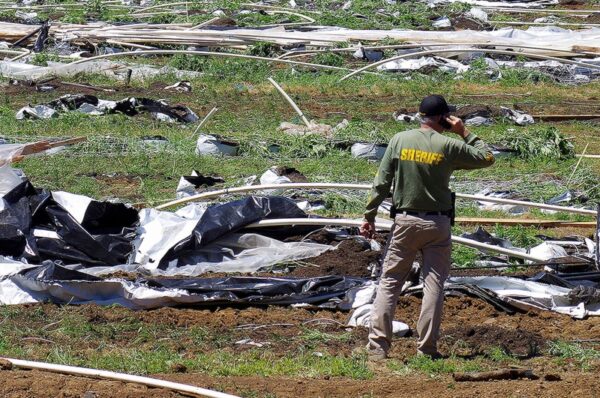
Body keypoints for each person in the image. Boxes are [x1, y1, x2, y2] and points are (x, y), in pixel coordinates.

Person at [360, 94, 495, 361]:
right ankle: (427, 350)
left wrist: (369, 215)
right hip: (438, 224)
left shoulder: (399, 140)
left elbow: (381, 182)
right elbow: (487, 157)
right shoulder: (448, 145)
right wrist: (463, 131)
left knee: (389, 282)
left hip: (405, 223)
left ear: (420, 115)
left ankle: (378, 347)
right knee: (434, 285)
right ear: (444, 117)